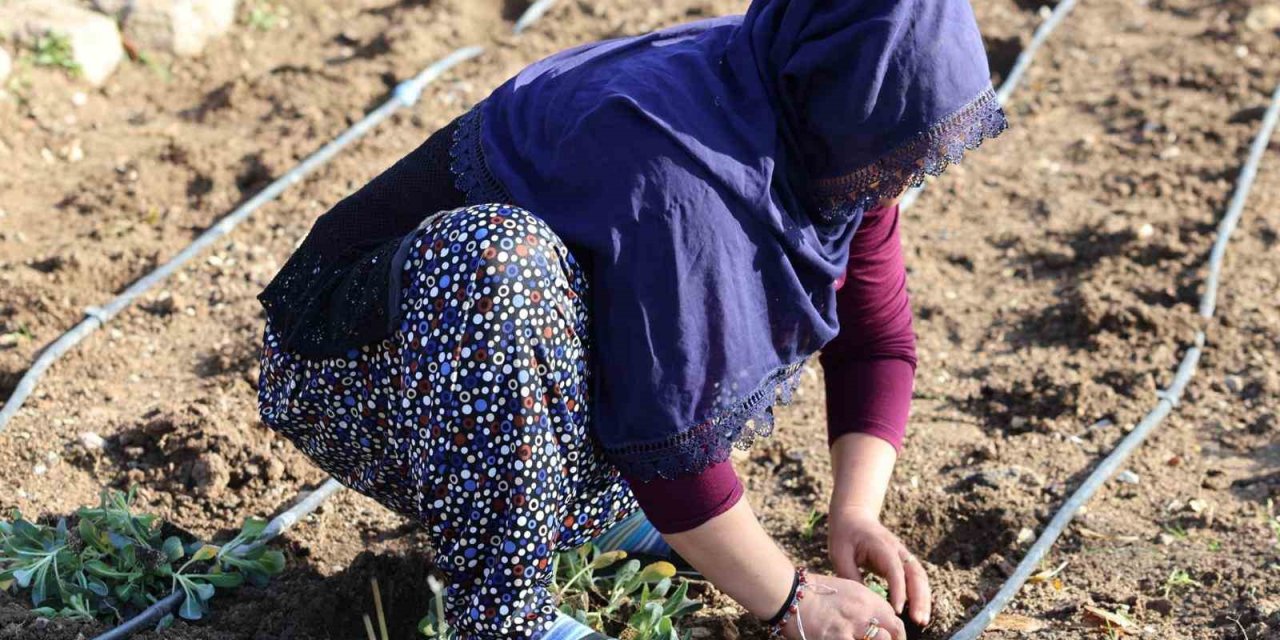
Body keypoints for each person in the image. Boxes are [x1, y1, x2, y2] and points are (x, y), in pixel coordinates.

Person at [255, 0, 1006, 638]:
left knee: (609, 322)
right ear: (840, 95)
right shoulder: (677, 166)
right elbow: (669, 442)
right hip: (365, 376)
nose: (904, 177)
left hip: (524, 395)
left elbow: (875, 339)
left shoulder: (816, 125)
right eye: (897, 142)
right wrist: (791, 598)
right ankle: (505, 616)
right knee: (498, 263)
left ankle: (595, 518)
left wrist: (857, 513)